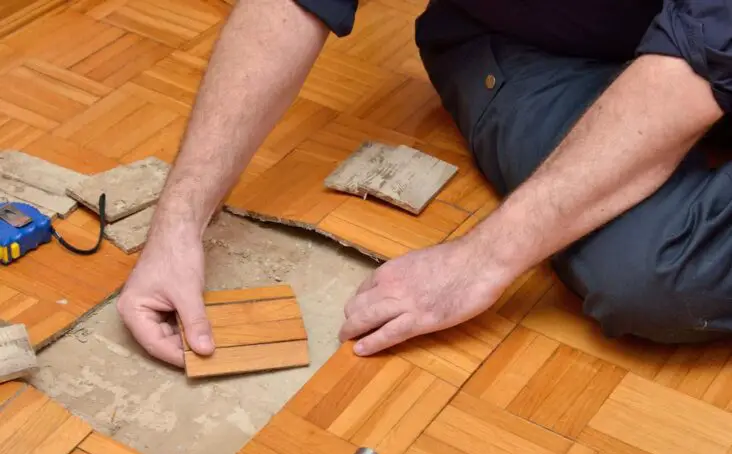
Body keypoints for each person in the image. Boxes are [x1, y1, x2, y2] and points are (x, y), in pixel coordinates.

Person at [117, 0, 732, 368]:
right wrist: (178, 221)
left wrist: (480, 258)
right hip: (537, 48)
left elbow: (696, 56)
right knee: (653, 275)